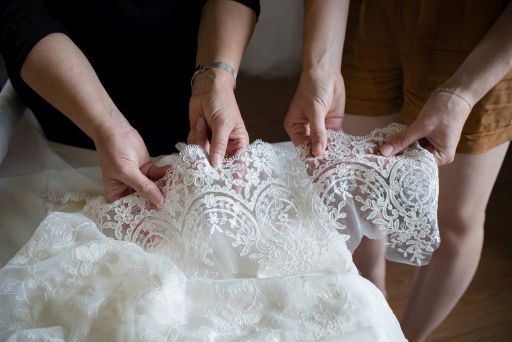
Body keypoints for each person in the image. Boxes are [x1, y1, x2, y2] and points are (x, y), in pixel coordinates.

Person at [285, 0, 512, 341]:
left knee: (456, 219)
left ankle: (409, 336)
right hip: (374, 15)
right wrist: (319, 70)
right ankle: (376, 321)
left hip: (485, 28)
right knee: (362, 187)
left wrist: (463, 96)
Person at [0, 0, 259, 207]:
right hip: (68, 112)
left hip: (187, 89)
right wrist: (107, 126)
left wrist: (216, 79)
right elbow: (18, 13)